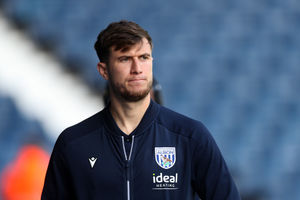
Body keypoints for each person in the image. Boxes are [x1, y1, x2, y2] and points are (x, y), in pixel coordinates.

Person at [41, 20, 240, 200]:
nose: (137, 68)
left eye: (144, 57)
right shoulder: (73, 143)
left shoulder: (190, 136)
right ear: (104, 70)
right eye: (125, 59)